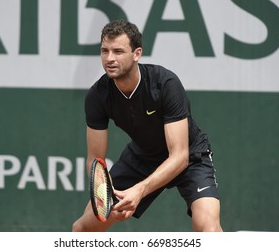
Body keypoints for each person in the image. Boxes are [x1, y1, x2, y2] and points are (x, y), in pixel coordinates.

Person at [72, 20, 222, 232]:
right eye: (104, 51)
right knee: (83, 229)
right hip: (142, 156)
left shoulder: (165, 84)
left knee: (208, 228)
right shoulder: (97, 96)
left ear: (137, 53)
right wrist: (105, 191)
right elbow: (95, 160)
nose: (109, 58)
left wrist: (138, 191)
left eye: (118, 51)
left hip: (190, 156)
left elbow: (179, 157)